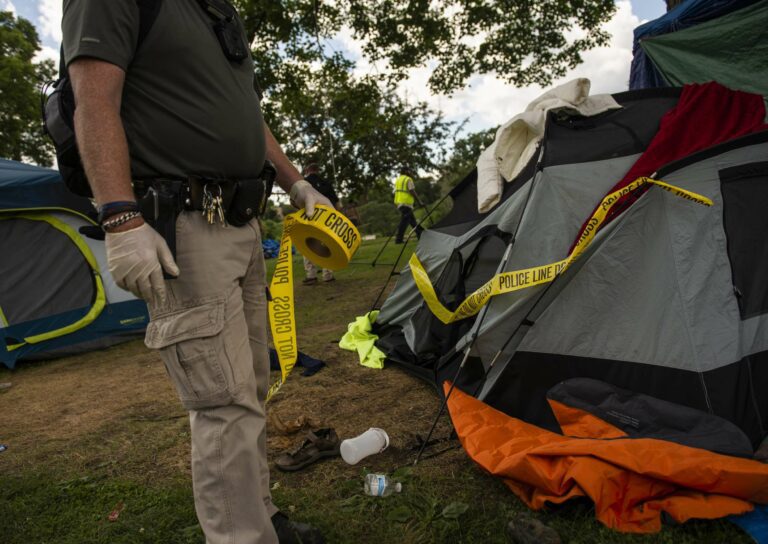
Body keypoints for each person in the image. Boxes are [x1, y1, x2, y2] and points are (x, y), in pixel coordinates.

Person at [62, 1, 330, 543]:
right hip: (183, 226)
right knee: (222, 400)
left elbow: (247, 114)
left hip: (244, 221)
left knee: (250, 386)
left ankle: (260, 516)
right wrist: (119, 214)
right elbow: (93, 102)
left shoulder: (216, 11)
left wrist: (295, 182)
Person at [300, 163, 338, 284]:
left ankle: (311, 275)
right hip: (326, 219)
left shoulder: (304, 183)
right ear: (318, 170)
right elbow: (337, 204)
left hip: (309, 218)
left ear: (307, 170)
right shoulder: (326, 183)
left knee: (307, 245)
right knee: (326, 244)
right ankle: (328, 275)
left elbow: (295, 201)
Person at [393, 168, 424, 244]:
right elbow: (411, 190)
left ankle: (421, 234)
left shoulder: (398, 180)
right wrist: (419, 201)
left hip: (399, 202)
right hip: (406, 202)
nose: (411, 172)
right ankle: (398, 239)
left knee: (412, 221)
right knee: (404, 222)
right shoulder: (408, 179)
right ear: (406, 171)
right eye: (409, 170)